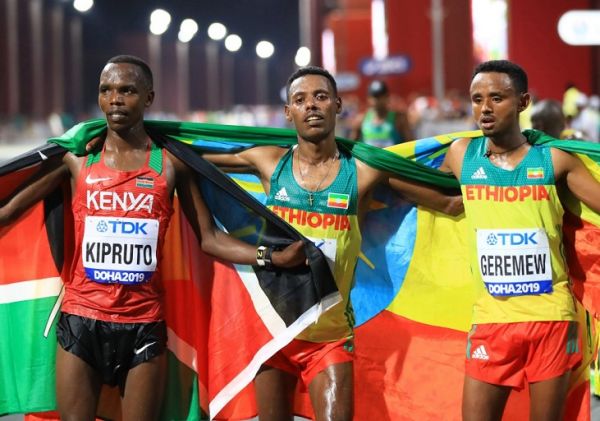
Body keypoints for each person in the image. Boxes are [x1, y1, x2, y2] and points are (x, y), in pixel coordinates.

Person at [0, 55, 306, 420]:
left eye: (127, 90)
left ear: (148, 98)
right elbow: (8, 211)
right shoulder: (77, 161)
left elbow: (208, 238)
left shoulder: (171, 164)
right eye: (106, 90)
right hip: (80, 321)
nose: (115, 99)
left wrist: (272, 257)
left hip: (143, 326)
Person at [202, 66, 463, 421]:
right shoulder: (268, 162)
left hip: (329, 338)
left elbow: (449, 200)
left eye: (321, 97)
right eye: (300, 99)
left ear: (338, 105)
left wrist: (468, 154)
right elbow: (187, 156)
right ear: (287, 112)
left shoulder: (364, 171)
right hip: (274, 333)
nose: (311, 105)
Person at [440, 59, 600, 421]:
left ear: (523, 102)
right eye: (477, 98)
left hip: (550, 318)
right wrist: (368, 173)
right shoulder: (462, 155)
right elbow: (445, 201)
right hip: (491, 318)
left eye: (497, 98)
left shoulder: (554, 160)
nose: (484, 107)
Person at [350, 79, 412, 147]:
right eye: (375, 96)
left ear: (387, 97)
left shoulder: (398, 119)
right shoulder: (361, 120)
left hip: (391, 157)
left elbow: (411, 144)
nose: (377, 100)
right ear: (368, 98)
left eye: (381, 96)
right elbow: (351, 147)